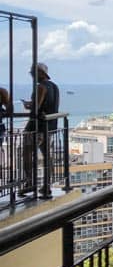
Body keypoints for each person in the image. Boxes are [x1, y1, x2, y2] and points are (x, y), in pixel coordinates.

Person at [22, 62, 59, 192]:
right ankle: (47, 184)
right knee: (46, 155)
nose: (32, 74)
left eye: (33, 72)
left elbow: (36, 109)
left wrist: (29, 107)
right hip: (49, 126)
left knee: (26, 153)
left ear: (40, 73)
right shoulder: (54, 87)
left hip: (36, 127)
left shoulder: (40, 87)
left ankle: (30, 182)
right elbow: (47, 105)